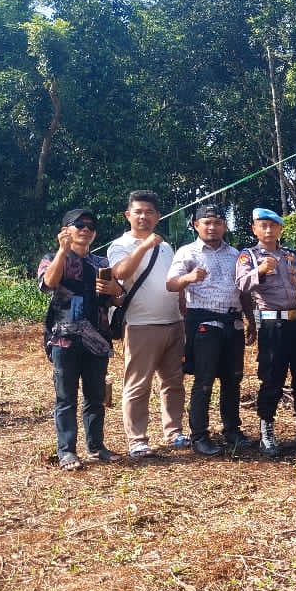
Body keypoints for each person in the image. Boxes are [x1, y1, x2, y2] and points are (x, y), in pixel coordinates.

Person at [38, 208, 123, 470]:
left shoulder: (101, 263)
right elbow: (48, 284)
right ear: (66, 230)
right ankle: (66, 451)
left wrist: (115, 289)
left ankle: (96, 447)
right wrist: (63, 251)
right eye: (79, 225)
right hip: (64, 339)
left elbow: (118, 299)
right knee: (66, 398)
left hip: (97, 339)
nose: (86, 229)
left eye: (90, 226)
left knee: (95, 396)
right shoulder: (52, 258)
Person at [168, 203, 255, 456]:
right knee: (204, 380)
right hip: (204, 322)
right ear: (196, 225)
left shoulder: (235, 254)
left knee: (233, 378)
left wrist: (250, 320)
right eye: (207, 222)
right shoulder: (187, 252)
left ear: (224, 226)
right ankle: (199, 436)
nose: (212, 227)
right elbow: (171, 283)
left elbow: (243, 291)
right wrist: (189, 278)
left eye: (217, 222)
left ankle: (232, 430)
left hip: (233, 321)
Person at [107, 190, 188, 458]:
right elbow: (120, 273)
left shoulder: (166, 247)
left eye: (149, 212)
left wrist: (183, 309)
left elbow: (173, 281)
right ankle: (137, 440)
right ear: (128, 215)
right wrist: (144, 246)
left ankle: (174, 432)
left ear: (158, 216)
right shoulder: (120, 245)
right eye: (138, 212)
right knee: (138, 384)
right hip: (141, 325)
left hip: (173, 322)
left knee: (173, 382)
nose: (143, 216)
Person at [236, 208, 296, 457]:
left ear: (280, 229)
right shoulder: (249, 256)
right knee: (272, 378)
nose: (268, 230)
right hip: (272, 325)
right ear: (254, 229)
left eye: (273, 226)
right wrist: (260, 271)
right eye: (263, 225)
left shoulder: (291, 256)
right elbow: (240, 284)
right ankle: (267, 432)